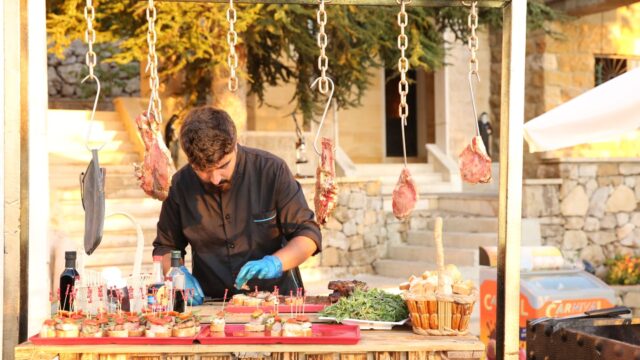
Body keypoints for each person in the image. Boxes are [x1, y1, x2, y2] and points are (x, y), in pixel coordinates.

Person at [152, 106, 322, 302]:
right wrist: (176, 273)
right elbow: (165, 247)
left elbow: (308, 235)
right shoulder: (181, 184)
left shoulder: (271, 171)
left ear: (236, 144)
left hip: (279, 301)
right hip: (213, 303)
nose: (215, 178)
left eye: (223, 165)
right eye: (203, 170)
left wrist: (275, 262)